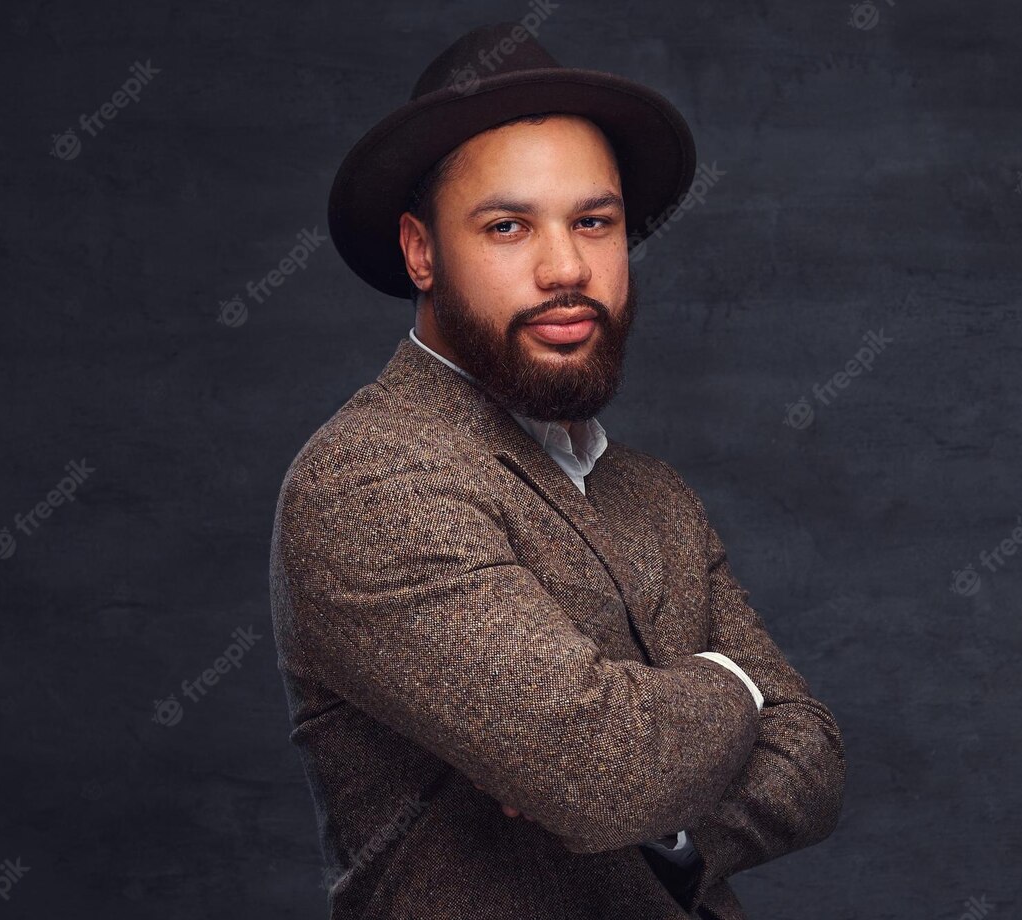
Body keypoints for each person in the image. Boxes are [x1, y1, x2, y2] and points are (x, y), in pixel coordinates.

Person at [269, 21, 845, 919]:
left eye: (593, 221)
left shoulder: (654, 494)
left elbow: (812, 753)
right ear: (422, 251)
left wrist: (683, 838)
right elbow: (606, 773)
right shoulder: (372, 483)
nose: (566, 267)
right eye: (507, 226)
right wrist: (736, 683)